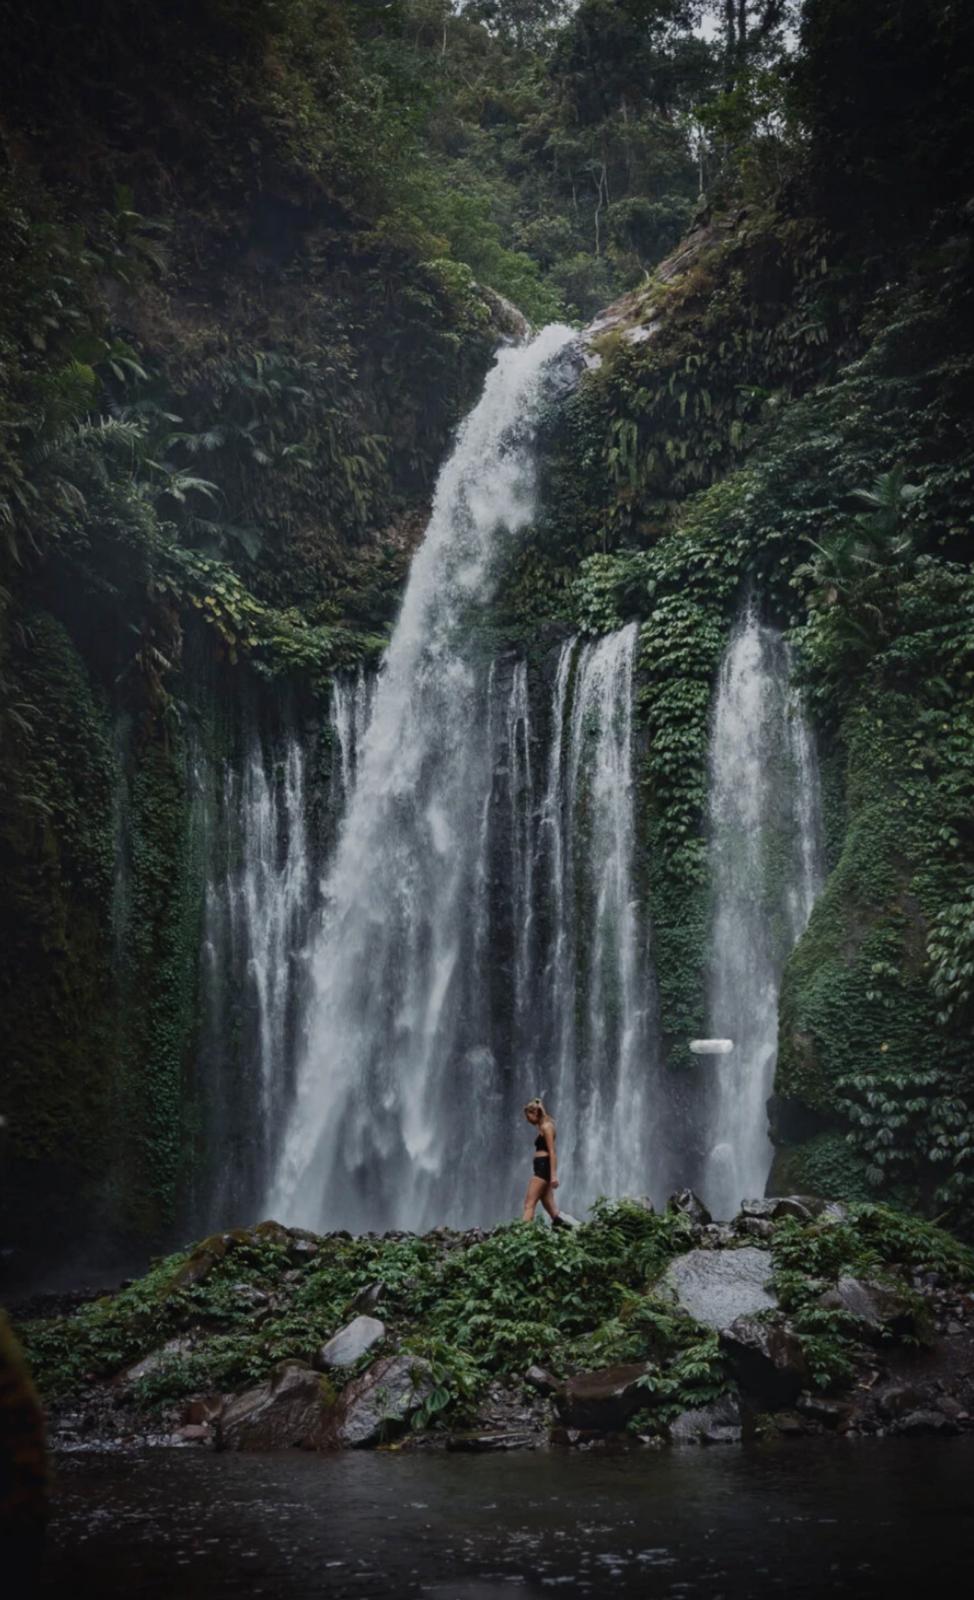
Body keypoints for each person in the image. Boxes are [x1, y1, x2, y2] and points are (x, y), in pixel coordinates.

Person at [522, 1097, 565, 1225]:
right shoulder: (543, 1127)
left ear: (535, 1113)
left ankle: (521, 1235)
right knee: (552, 1210)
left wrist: (553, 1176)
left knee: (529, 1204)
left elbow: (552, 1152)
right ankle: (565, 1228)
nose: (527, 1120)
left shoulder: (547, 1127)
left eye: (528, 1116)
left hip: (543, 1169)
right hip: (542, 1168)